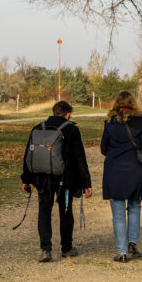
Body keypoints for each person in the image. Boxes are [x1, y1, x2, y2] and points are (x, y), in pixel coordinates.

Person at [21, 100, 93, 262]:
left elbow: (28, 156)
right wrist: (86, 183)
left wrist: (27, 179)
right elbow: (79, 158)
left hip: (42, 178)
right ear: (68, 114)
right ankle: (66, 248)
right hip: (65, 180)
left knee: (44, 212)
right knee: (65, 212)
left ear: (54, 112)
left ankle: (45, 249)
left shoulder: (38, 128)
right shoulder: (72, 130)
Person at [100, 90, 142, 263]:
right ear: (133, 103)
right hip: (136, 168)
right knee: (134, 207)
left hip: (114, 169)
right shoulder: (141, 122)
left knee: (118, 213)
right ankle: (132, 242)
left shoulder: (110, 123)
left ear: (116, 104)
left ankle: (121, 252)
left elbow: (103, 149)